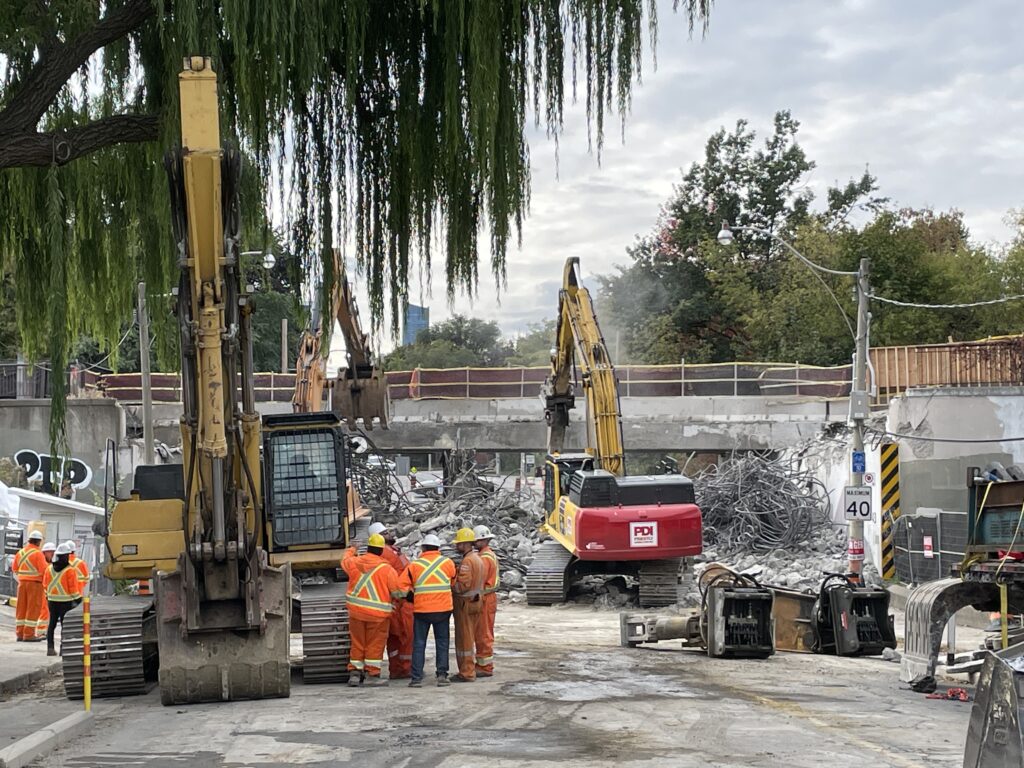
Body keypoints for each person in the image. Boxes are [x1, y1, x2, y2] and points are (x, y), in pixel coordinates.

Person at [341, 533, 402, 686]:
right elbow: (397, 593)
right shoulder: (387, 570)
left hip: (356, 612)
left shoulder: (354, 563)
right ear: (381, 551)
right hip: (378, 616)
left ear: (368, 548)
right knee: (375, 644)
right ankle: (372, 675)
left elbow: (344, 560)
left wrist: (352, 548)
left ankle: (354, 673)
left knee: (357, 642)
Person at [398, 533, 456, 688]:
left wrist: (410, 596)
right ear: (438, 548)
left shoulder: (414, 566)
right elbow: (453, 581)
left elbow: (401, 586)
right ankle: (442, 676)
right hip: (443, 610)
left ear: (423, 548)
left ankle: (416, 678)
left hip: (422, 610)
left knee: (419, 643)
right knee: (442, 642)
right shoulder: (447, 563)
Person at [369, 521, 413, 680]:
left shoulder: (391, 552)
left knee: (396, 638)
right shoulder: (387, 554)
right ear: (379, 537)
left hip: (398, 600)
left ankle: (397, 668)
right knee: (404, 636)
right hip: (400, 601)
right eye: (385, 533)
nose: (390, 534)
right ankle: (404, 668)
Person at [451, 527, 485, 683]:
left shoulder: (467, 561)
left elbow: (463, 585)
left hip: (465, 604)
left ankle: (467, 672)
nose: (456, 547)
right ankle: (469, 670)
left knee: (464, 640)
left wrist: (450, 587)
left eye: (458, 544)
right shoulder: (479, 559)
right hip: (476, 602)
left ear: (464, 544)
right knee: (470, 637)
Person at [44, 543, 81, 656]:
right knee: (65, 626)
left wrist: (49, 595)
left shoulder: (49, 568)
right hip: (65, 602)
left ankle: (50, 648)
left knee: (52, 624)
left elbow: (45, 584)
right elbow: (73, 589)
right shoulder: (70, 570)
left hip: (52, 601)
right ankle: (63, 649)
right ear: (66, 556)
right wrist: (79, 600)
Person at [473, 525, 500, 677]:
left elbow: (478, 580)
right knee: (484, 631)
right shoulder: (487, 555)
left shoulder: (484, 558)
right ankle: (483, 664)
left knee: (483, 633)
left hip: (485, 598)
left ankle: (485, 667)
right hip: (487, 597)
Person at [14, 530, 47, 642]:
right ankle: (29, 634)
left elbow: (15, 568)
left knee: (21, 608)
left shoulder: (20, 553)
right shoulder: (38, 554)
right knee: (33, 609)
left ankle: (20, 633)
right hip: (35, 584)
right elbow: (44, 570)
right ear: (38, 541)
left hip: (22, 583)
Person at [38, 542, 57, 633]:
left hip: (48, 592)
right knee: (44, 611)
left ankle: (43, 630)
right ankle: (41, 631)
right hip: (42, 591)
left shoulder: (51, 564)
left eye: (53, 552)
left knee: (46, 611)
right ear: (44, 553)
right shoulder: (44, 564)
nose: (52, 554)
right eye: (50, 552)